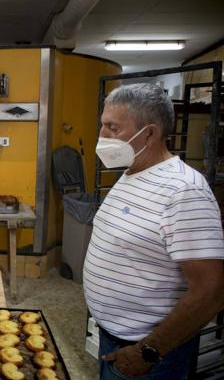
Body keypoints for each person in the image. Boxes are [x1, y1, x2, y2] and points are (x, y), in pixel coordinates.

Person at [83, 83, 224, 380]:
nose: (102, 137)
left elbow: (211, 292)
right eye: (102, 127)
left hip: (150, 356)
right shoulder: (131, 173)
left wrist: (147, 352)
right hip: (115, 339)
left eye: (112, 128)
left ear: (149, 133)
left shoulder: (184, 191)